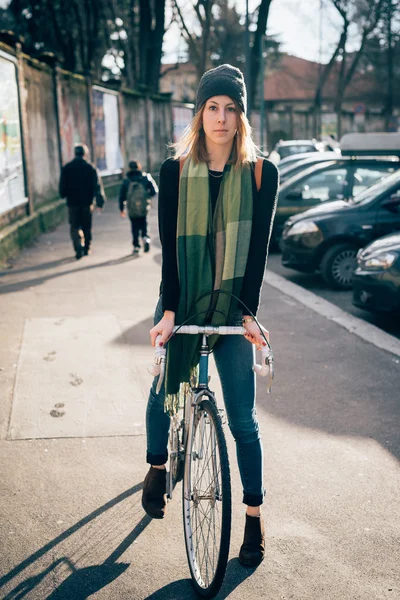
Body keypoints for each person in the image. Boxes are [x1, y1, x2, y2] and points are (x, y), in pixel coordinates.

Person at [142, 64, 279, 568]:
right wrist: (170, 312)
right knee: (163, 389)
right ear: (199, 114)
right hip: (181, 295)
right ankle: (157, 463)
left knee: (243, 419)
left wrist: (251, 315)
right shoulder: (174, 171)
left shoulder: (262, 172)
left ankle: (253, 517)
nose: (221, 118)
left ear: (241, 116)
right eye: (212, 108)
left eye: (231, 109)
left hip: (233, 306)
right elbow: (169, 254)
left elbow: (259, 252)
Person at [59, 144, 106, 260]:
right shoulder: (90, 168)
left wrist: (63, 194)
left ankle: (78, 246)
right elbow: (97, 186)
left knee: (74, 226)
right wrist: (100, 202)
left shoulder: (67, 168)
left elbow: (62, 186)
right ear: (85, 154)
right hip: (87, 203)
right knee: (86, 226)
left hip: (72, 203)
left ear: (75, 153)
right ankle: (86, 248)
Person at [119, 160, 158, 254]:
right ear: (139, 167)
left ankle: (136, 246)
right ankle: (145, 238)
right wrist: (146, 195)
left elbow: (122, 196)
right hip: (144, 206)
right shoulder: (145, 177)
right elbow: (154, 191)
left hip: (132, 208)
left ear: (129, 168)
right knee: (144, 222)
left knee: (134, 226)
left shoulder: (126, 180)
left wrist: (121, 209)